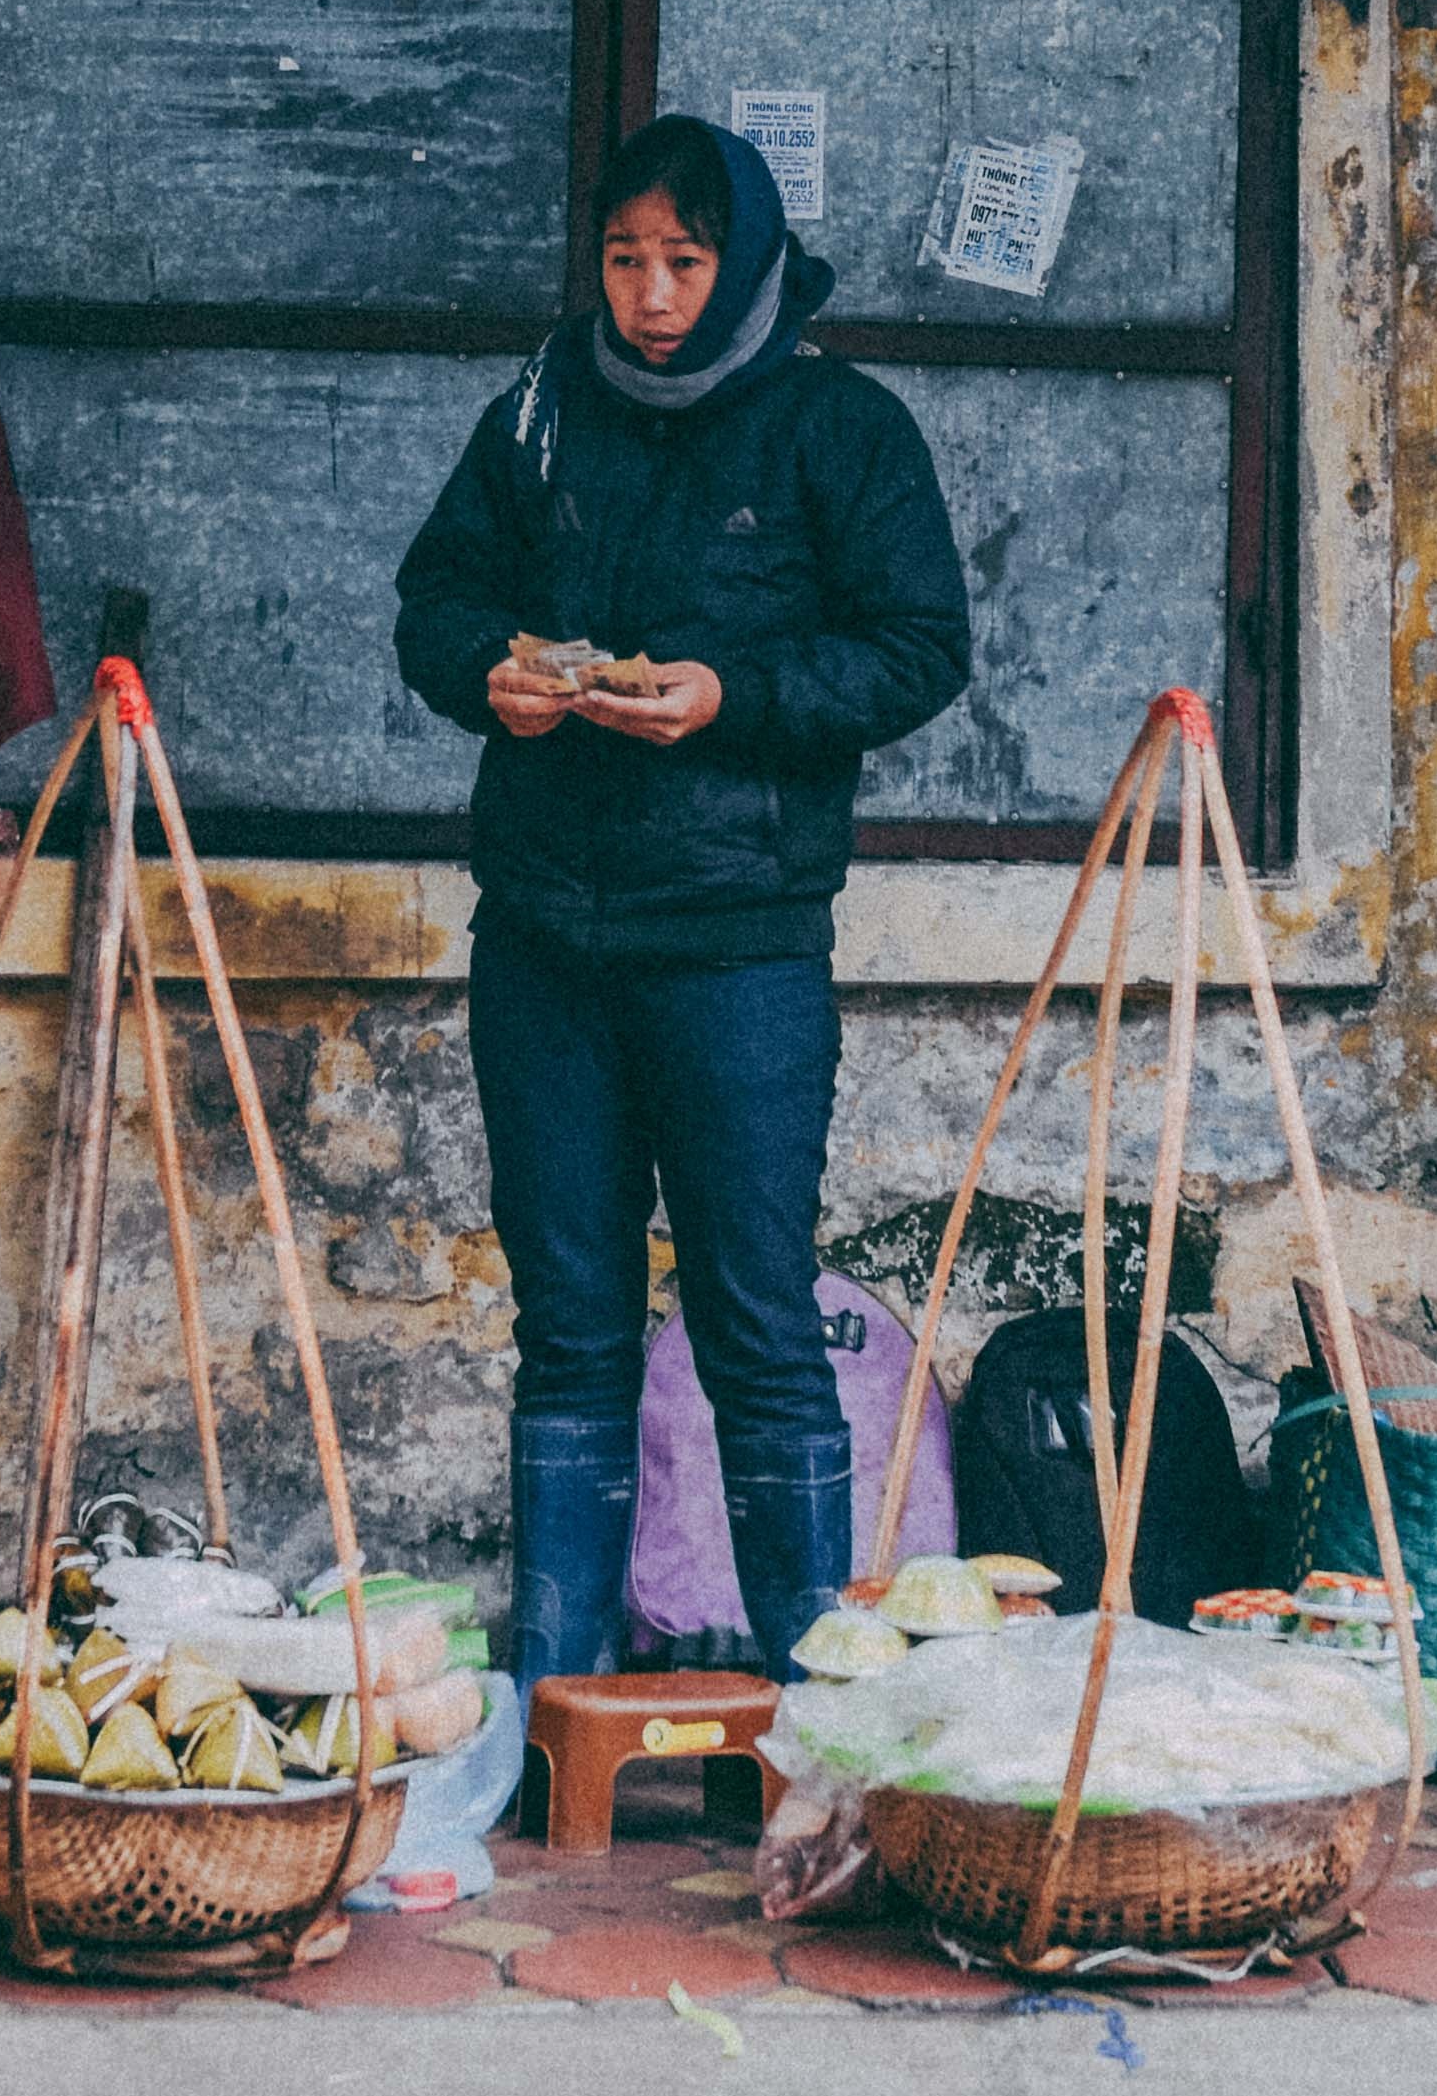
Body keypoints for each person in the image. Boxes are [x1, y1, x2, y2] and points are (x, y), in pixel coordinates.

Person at [393, 115, 971, 1694]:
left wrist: (733, 693)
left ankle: (806, 1720)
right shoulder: (534, 411)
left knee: (758, 1331)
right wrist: (487, 675)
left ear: (746, 265)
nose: (649, 296)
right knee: (568, 1322)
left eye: (684, 262)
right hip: (544, 942)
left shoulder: (838, 427)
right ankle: (551, 1702)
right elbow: (433, 599)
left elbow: (918, 647)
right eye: (624, 259)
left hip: (736, 947)